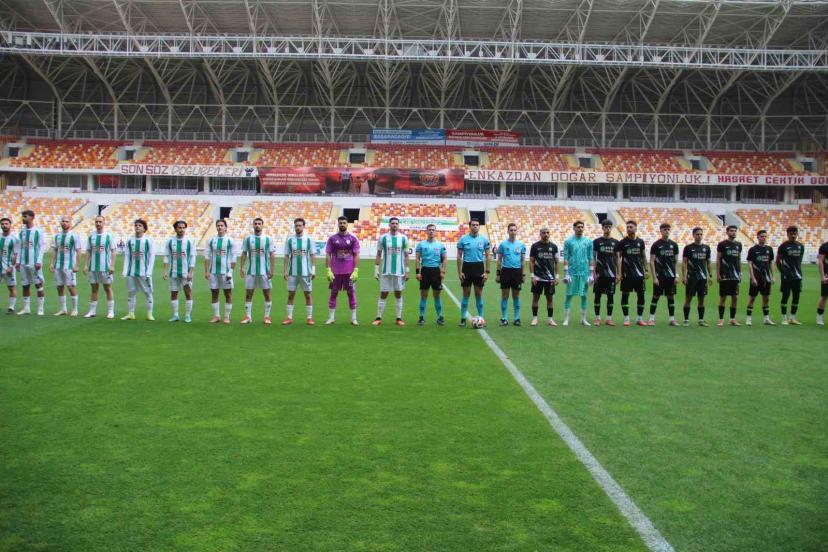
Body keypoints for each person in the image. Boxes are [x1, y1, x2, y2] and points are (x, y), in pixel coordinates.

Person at [373, 216, 410, 326]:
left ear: (398, 225)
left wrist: (407, 270)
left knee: (398, 293)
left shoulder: (403, 238)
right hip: (386, 271)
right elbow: (379, 254)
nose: (394, 225)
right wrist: (376, 269)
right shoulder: (383, 238)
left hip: (399, 271)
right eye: (392, 223)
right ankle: (378, 317)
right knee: (384, 293)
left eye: (396, 223)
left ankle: (399, 318)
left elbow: (406, 255)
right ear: (389, 225)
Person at [239, 217, 276, 325]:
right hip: (251, 271)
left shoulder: (268, 239)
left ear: (262, 225)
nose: (257, 225)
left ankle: (267, 316)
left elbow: (272, 254)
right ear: (253, 225)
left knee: (267, 293)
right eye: (255, 223)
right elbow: (244, 253)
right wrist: (242, 267)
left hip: (265, 271)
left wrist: (272, 270)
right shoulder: (247, 239)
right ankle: (248, 317)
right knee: (249, 294)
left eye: (259, 223)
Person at [325, 216, 360, 325]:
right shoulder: (332, 239)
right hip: (335, 272)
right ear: (338, 224)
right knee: (333, 293)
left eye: (344, 223)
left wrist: (356, 270)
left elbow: (356, 255)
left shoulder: (353, 239)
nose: (342, 224)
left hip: (349, 272)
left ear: (347, 224)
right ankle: (331, 318)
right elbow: (328, 254)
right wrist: (328, 269)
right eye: (340, 223)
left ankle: (353, 318)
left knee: (351, 293)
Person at [456, 219, 491, 327]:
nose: (475, 226)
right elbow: (459, 256)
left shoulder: (484, 240)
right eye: (473, 225)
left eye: (477, 225)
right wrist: (460, 272)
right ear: (470, 226)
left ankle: (481, 318)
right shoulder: (463, 239)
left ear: (479, 226)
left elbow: (488, 256)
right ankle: (463, 319)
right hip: (467, 268)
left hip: (479, 268)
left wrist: (487, 272)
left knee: (478, 294)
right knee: (466, 294)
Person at [283, 217, 315, 325]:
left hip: (306, 273)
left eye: (300, 225)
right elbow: (286, 256)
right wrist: (285, 270)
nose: (298, 227)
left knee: (308, 294)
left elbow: (312, 255)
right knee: (291, 294)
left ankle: (309, 318)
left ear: (303, 226)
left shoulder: (309, 239)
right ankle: (289, 318)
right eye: (296, 225)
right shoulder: (290, 240)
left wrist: (313, 269)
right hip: (292, 273)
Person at [121, 219, 155, 321]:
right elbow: (127, 256)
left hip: (144, 272)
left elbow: (152, 256)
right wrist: (125, 270)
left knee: (148, 292)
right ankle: (131, 313)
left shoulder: (148, 240)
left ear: (144, 228)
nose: (137, 227)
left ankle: (149, 314)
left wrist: (149, 272)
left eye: (140, 225)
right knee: (131, 292)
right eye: (136, 225)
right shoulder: (130, 240)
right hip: (131, 272)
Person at [83, 215, 116, 319]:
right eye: (96, 222)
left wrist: (112, 265)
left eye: (100, 222)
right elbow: (88, 251)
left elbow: (113, 251)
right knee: (94, 288)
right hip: (93, 267)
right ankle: (92, 311)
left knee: (107, 288)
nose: (98, 223)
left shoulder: (108, 236)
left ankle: (110, 311)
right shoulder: (91, 236)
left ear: (104, 223)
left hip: (105, 267)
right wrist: (86, 265)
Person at [562, 220, 595, 326]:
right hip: (572, 272)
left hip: (584, 272)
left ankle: (583, 319)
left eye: (582, 227)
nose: (580, 229)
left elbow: (591, 257)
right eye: (578, 227)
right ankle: (566, 319)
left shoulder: (588, 242)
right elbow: (566, 257)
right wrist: (566, 273)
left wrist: (591, 274)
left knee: (584, 296)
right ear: (574, 228)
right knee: (569, 295)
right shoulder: (568, 241)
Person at [163, 220, 196, 323]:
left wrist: (190, 272)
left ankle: (187, 315)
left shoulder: (189, 241)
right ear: (175, 229)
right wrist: (165, 271)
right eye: (179, 227)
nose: (182, 229)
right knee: (174, 293)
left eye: (183, 228)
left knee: (188, 293)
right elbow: (166, 256)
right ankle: (175, 315)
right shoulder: (170, 241)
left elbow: (193, 257)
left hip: (186, 273)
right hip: (173, 272)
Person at [204, 218, 236, 324]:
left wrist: (230, 271)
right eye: (218, 225)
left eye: (222, 225)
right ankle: (216, 316)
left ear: (226, 227)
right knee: (214, 292)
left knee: (228, 293)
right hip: (213, 272)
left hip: (225, 272)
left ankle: (227, 316)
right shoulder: (211, 240)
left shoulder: (230, 240)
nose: (220, 227)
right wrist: (206, 271)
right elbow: (207, 257)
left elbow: (234, 257)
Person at [617, 220, 648, 327]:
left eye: (631, 227)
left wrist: (646, 270)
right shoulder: (622, 242)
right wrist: (619, 273)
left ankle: (639, 319)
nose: (629, 229)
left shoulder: (640, 242)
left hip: (639, 275)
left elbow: (643, 256)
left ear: (635, 228)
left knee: (641, 296)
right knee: (625, 295)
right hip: (627, 274)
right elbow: (618, 258)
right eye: (628, 227)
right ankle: (626, 319)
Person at [415, 223, 447, 326]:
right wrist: (417, 272)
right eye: (429, 230)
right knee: (423, 295)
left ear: (436, 232)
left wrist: (442, 271)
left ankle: (440, 317)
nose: (431, 231)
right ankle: (421, 317)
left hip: (436, 271)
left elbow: (444, 259)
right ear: (426, 231)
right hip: (425, 271)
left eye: (433, 230)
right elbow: (417, 258)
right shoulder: (421, 245)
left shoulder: (440, 245)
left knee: (437, 295)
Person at [16, 209, 46, 316]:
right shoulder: (22, 232)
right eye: (22, 216)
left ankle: (40, 309)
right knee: (25, 285)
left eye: (25, 216)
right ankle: (26, 309)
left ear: (32, 217)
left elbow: (42, 246)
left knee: (38, 285)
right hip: (23, 263)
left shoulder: (38, 231)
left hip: (34, 262)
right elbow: (20, 247)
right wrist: (18, 262)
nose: (23, 218)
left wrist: (39, 261)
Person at [647, 223, 679, 326]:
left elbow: (676, 261)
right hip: (659, 276)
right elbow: (652, 261)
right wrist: (654, 277)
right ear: (660, 231)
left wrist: (676, 275)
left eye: (668, 229)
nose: (667, 231)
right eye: (665, 229)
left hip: (671, 277)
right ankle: (651, 319)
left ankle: (672, 319)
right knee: (655, 297)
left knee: (671, 297)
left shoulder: (674, 245)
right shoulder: (656, 245)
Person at [50, 215, 81, 317]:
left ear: (70, 223)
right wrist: (51, 263)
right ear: (60, 223)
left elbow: (78, 251)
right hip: (58, 266)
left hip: (69, 266)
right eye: (63, 221)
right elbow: (55, 250)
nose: (64, 223)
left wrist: (77, 265)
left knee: (71, 287)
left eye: (67, 221)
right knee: (59, 287)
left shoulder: (74, 236)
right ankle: (63, 309)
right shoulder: (57, 236)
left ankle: (75, 309)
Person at [496, 223, 526, 326]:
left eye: (514, 230)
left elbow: (523, 261)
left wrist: (523, 274)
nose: (513, 232)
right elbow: (499, 260)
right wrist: (498, 274)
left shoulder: (521, 245)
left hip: (517, 272)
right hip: (506, 271)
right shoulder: (503, 245)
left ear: (517, 231)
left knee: (516, 296)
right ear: (508, 231)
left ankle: (516, 318)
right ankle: (504, 318)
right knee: (505, 295)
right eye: (511, 230)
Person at [682, 227, 712, 326]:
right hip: (691, 277)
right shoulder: (688, 248)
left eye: (701, 234)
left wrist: (710, 275)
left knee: (701, 300)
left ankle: (701, 320)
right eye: (697, 234)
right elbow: (684, 263)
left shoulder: (706, 248)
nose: (699, 236)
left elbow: (708, 262)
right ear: (693, 235)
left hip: (702, 278)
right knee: (688, 299)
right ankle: (686, 320)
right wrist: (684, 276)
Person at [529, 227, 559, 327]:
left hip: (550, 278)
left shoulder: (554, 247)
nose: (546, 234)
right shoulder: (535, 246)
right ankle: (534, 319)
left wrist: (557, 276)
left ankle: (550, 319)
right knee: (535, 298)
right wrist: (532, 276)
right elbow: (531, 261)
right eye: (544, 232)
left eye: (547, 232)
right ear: (540, 234)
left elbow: (557, 262)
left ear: (549, 234)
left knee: (550, 299)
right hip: (537, 277)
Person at [776, 225, 804, 325]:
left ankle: (792, 318)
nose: (793, 236)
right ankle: (784, 318)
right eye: (791, 234)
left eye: (795, 234)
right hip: (786, 276)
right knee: (785, 296)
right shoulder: (783, 246)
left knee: (796, 296)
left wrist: (797, 270)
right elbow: (778, 261)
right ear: (787, 234)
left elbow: (800, 260)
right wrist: (783, 272)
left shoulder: (800, 246)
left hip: (797, 275)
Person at [745, 229, 775, 326]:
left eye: (765, 236)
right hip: (756, 278)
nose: (764, 238)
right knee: (752, 298)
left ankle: (766, 319)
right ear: (758, 237)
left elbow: (771, 263)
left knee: (766, 298)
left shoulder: (769, 249)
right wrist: (752, 278)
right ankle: (748, 319)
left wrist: (773, 276)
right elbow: (750, 264)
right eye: (762, 236)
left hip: (766, 278)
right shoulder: (753, 250)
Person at [716, 225, 743, 327]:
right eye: (731, 231)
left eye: (735, 231)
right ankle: (721, 319)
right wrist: (718, 274)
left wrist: (740, 273)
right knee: (723, 298)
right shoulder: (722, 244)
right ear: (727, 232)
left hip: (735, 275)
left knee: (735, 297)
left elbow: (739, 259)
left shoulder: (738, 245)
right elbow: (718, 259)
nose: (733, 232)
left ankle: (732, 319)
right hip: (725, 275)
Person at [593, 219, 618, 326]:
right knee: (597, 296)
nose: (608, 229)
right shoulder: (597, 242)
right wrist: (593, 273)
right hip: (600, 274)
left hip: (611, 275)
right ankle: (597, 318)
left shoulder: (615, 242)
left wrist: (618, 273)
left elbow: (618, 259)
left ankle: (609, 318)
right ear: (602, 228)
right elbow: (593, 258)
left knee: (610, 296)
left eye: (609, 227)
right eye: (606, 227)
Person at [0, 217, 19, 314]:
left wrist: (11, 266)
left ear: (10, 225)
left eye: (6, 224)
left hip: (8, 267)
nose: (4, 225)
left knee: (11, 287)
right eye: (2, 224)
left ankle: (11, 307)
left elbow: (15, 254)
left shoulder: (15, 238)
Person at [818, 239, 827, 326]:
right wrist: (822, 276)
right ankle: (819, 317)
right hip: (827, 276)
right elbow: (820, 261)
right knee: (824, 296)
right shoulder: (824, 246)